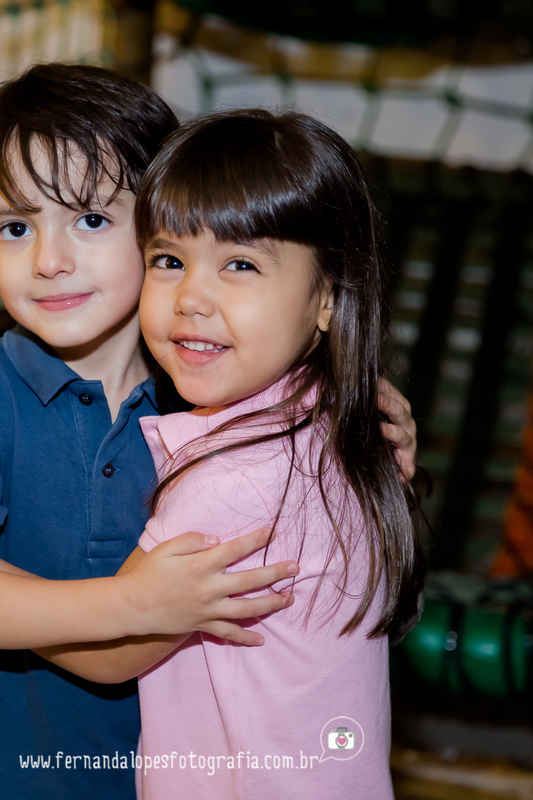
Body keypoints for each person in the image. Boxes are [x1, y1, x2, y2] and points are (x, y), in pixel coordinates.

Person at [0, 65, 419, 798]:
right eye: (15, 227)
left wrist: (364, 402)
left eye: (91, 219)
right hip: (0, 775)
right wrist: (135, 604)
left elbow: (300, 375)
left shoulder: (209, 394)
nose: (49, 262)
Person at [37, 109, 426, 799]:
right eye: (168, 261)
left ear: (328, 298)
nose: (191, 297)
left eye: (240, 264)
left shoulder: (232, 484)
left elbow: (109, 652)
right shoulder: (340, 421)